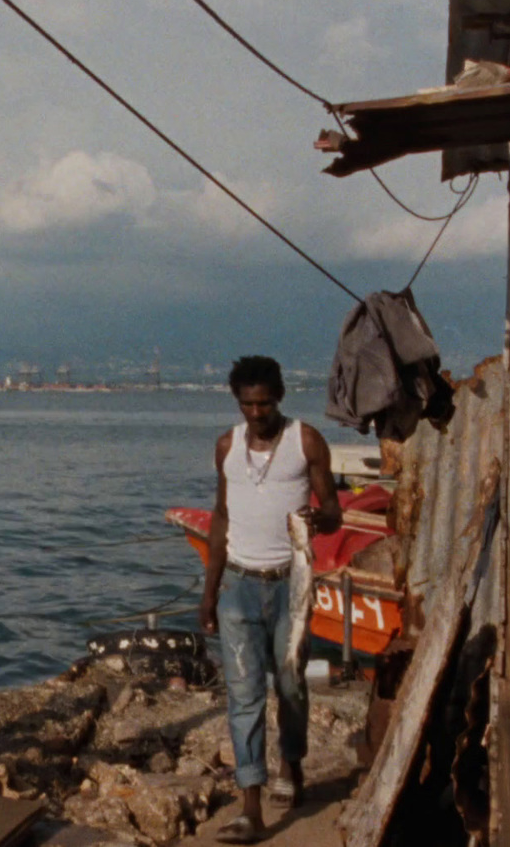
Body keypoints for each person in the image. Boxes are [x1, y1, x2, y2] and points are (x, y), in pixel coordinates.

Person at [199, 355, 342, 843]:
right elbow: (220, 518)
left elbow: (335, 511)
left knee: (290, 683)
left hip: (291, 584)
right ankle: (251, 807)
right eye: (247, 405)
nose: (256, 413)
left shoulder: (305, 441)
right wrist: (209, 591)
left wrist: (321, 521)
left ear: (279, 398)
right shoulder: (226, 446)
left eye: (264, 404)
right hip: (238, 586)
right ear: (237, 403)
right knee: (243, 696)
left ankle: (292, 763)